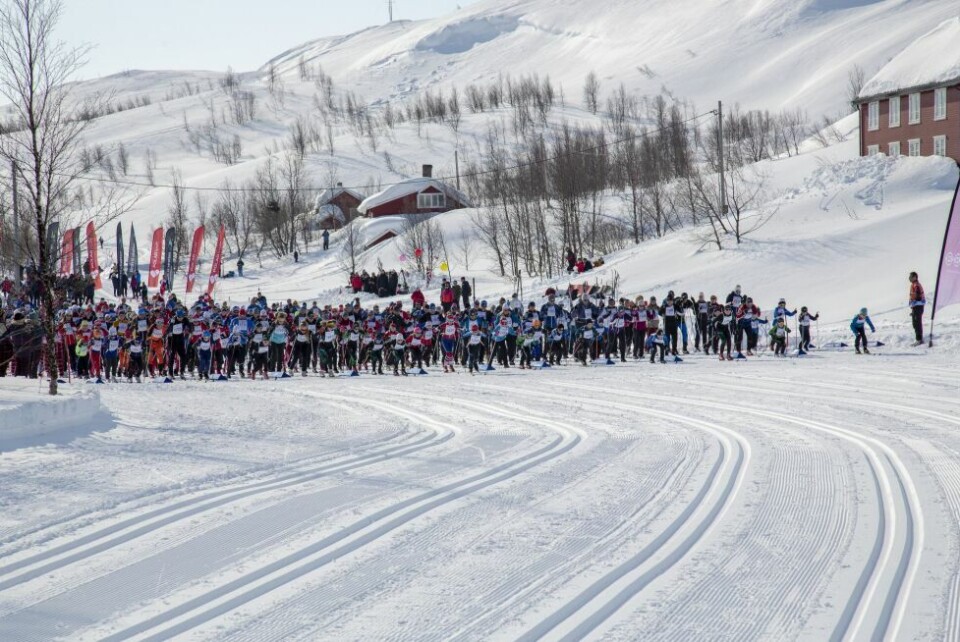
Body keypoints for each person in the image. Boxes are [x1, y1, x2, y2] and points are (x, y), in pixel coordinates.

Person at [908, 271, 925, 346]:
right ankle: (918, 339)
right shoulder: (913, 285)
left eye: (911, 276)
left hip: (918, 306)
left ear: (915, 277)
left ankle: (919, 339)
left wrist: (915, 302)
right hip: (915, 307)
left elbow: (918, 296)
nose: (910, 278)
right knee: (915, 324)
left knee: (917, 323)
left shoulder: (916, 285)